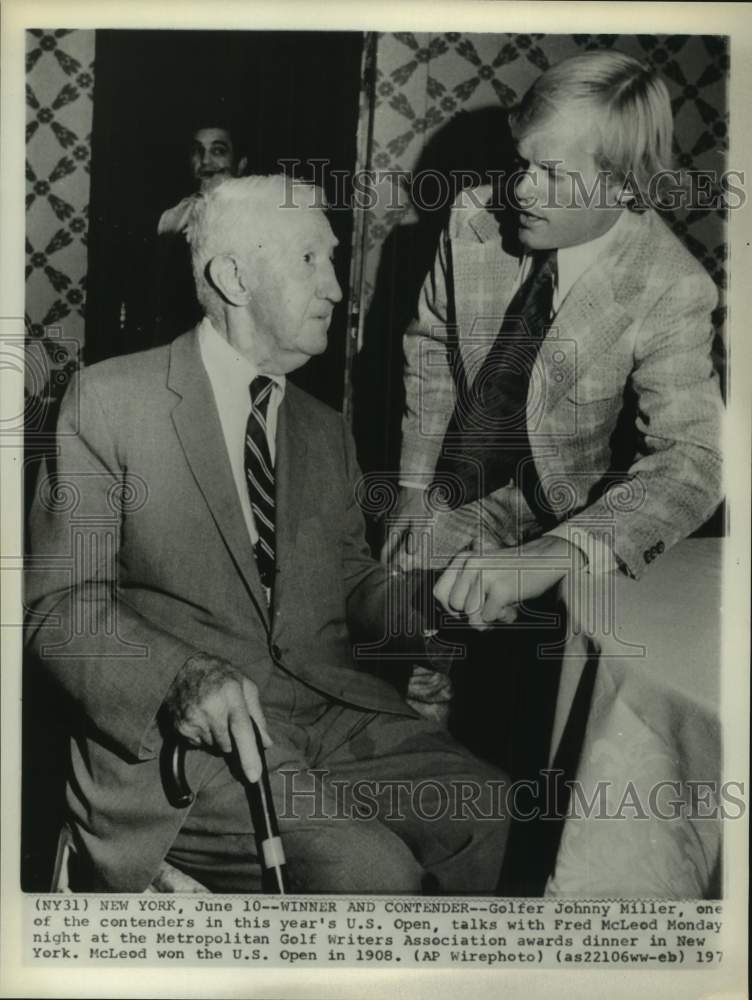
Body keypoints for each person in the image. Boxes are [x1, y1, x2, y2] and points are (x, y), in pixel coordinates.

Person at [25, 175, 509, 894]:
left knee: (491, 813)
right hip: (190, 743)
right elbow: (60, 609)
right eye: (311, 259)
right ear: (234, 277)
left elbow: (349, 582)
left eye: (332, 262)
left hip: (330, 715)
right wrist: (182, 676)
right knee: (370, 873)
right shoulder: (110, 401)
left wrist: (436, 602)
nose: (336, 289)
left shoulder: (324, 428)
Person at [388, 50, 723, 688]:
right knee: (402, 630)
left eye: (551, 173)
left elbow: (696, 458)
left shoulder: (670, 284)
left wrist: (557, 552)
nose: (521, 189)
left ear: (623, 184)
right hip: (464, 484)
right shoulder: (471, 218)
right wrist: (412, 482)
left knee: (541, 687)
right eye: (522, 163)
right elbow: (431, 343)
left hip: (582, 513)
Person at [154, 122, 249, 343]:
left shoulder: (254, 214)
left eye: (218, 151)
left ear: (241, 164)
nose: (205, 161)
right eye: (198, 151)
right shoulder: (173, 217)